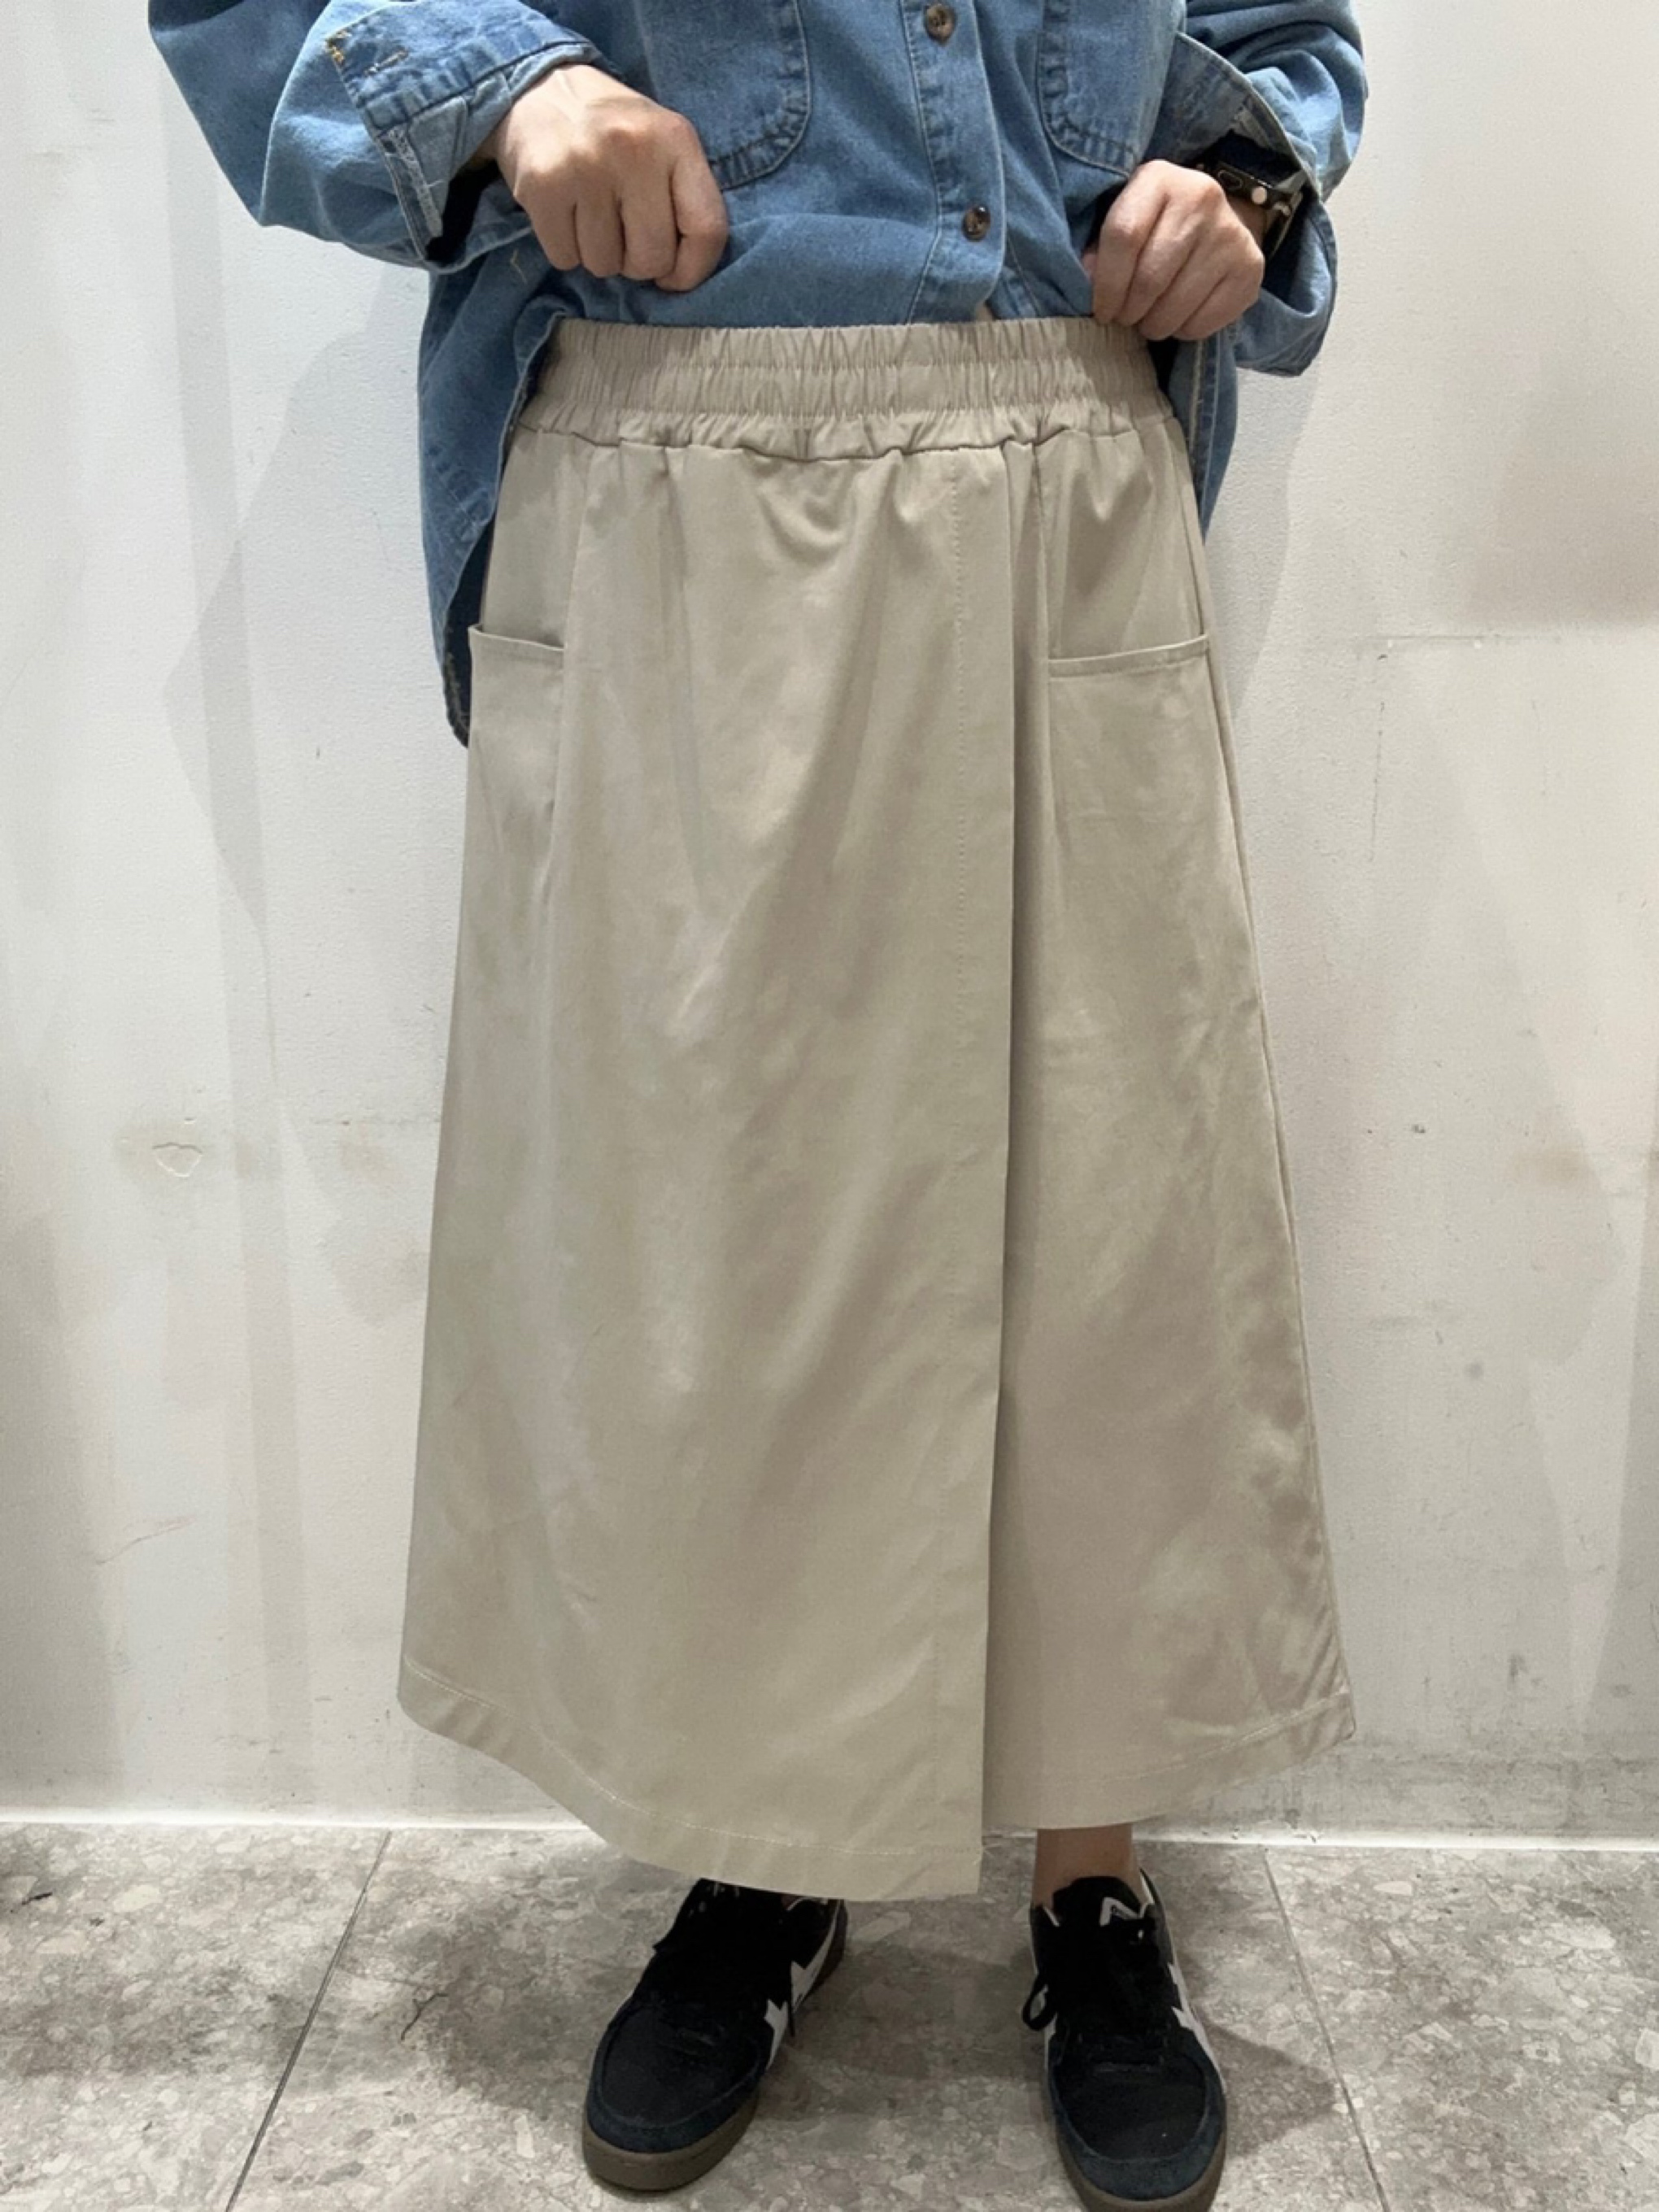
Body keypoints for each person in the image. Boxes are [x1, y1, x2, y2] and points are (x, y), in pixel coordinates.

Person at [150, 6, 1367, 2206]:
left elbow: (1290, 45)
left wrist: (1247, 191)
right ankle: (764, 1843)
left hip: (1070, 453)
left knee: (1111, 1229)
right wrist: (508, 92)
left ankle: (1093, 1881)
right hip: (678, 463)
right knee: (724, 1248)